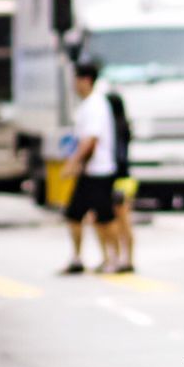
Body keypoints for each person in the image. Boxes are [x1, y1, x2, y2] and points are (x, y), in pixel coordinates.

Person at [61, 62, 119, 274]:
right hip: (90, 171)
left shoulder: (95, 105)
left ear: (85, 80)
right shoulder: (89, 104)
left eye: (76, 80)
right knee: (75, 214)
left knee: (104, 217)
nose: (74, 85)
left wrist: (73, 163)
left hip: (99, 171)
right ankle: (79, 257)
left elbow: (91, 140)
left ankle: (113, 258)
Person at [107, 90, 137, 274]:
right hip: (127, 177)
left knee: (119, 221)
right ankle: (127, 258)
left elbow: (118, 155)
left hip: (118, 178)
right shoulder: (125, 125)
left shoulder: (115, 127)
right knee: (125, 221)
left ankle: (120, 258)